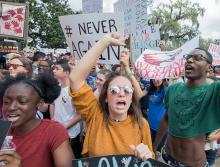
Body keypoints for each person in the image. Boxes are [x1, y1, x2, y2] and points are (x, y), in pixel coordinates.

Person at [69, 33, 153, 160]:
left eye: (127, 90)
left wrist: (147, 155)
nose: (121, 93)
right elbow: (75, 79)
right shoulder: (94, 115)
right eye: (114, 90)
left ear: (131, 98)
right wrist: (104, 42)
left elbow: (150, 158)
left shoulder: (142, 124)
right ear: (106, 97)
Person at [154, 48, 220, 166]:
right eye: (188, 57)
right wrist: (154, 147)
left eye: (198, 58)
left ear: (209, 68)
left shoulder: (214, 91)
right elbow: (166, 119)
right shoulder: (173, 89)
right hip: (165, 159)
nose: (189, 60)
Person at [0, 73, 74, 167]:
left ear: (39, 103)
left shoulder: (53, 131)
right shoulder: (2, 130)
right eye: (6, 102)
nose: (11, 107)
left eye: (22, 101)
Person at [53, 59, 82, 158]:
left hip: (71, 134)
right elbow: (53, 104)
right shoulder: (56, 87)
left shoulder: (75, 91)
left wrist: (65, 126)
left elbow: (80, 115)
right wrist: (53, 120)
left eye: (57, 69)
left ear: (66, 72)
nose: (54, 71)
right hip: (57, 132)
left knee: (71, 159)